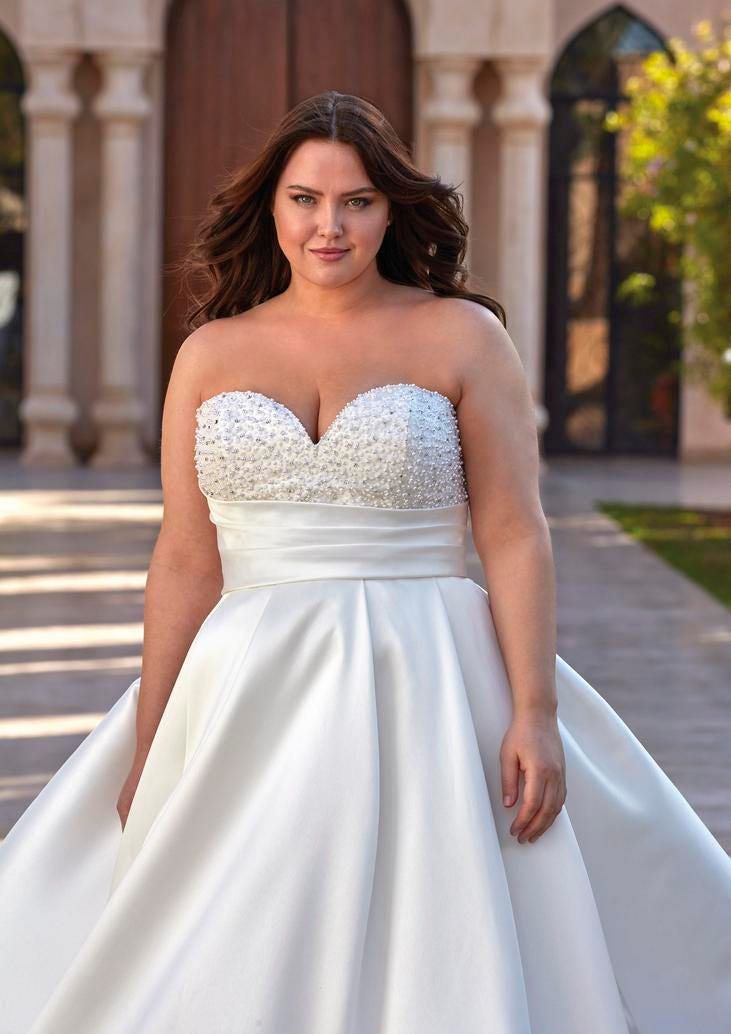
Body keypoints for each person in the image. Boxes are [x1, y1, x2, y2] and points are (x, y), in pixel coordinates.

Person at [1, 90, 730, 1034]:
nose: (328, 226)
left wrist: (534, 712)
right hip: (247, 688)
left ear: (393, 209)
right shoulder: (213, 352)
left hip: (429, 672)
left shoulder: (462, 337)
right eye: (305, 199)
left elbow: (512, 529)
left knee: (442, 914)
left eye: (356, 202)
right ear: (272, 206)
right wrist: (154, 737)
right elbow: (186, 558)